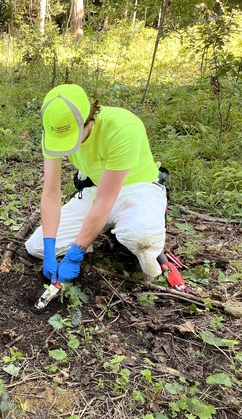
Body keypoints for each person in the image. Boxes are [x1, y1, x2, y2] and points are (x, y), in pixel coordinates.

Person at [25, 84, 168, 285]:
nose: (65, 146)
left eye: (72, 138)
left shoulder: (123, 129)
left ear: (89, 120)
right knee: (36, 247)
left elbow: (105, 200)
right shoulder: (53, 132)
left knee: (141, 237)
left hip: (139, 188)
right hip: (97, 188)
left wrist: (76, 252)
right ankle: (101, 232)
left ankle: (149, 265)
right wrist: (50, 246)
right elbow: (51, 193)